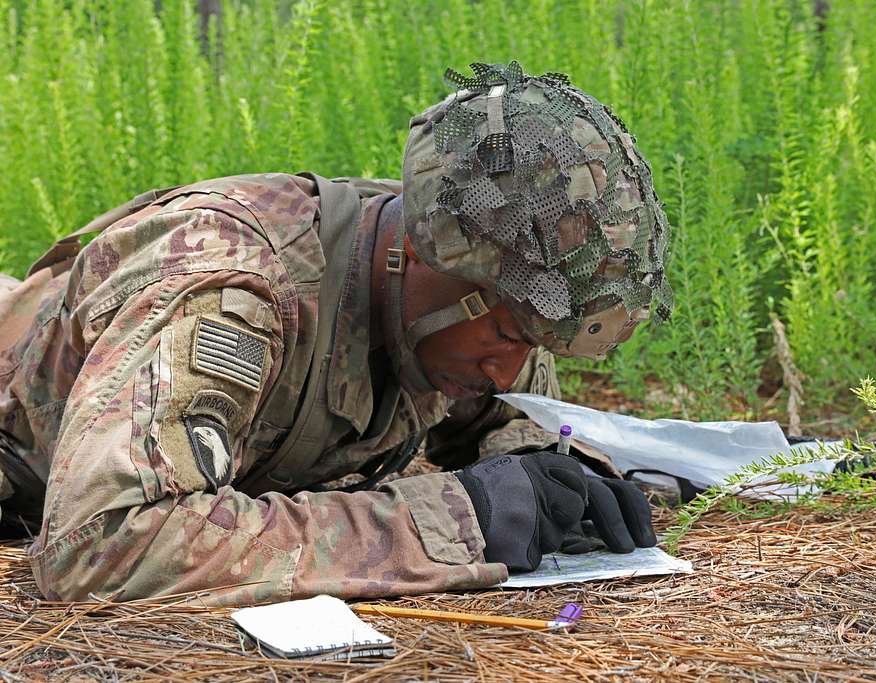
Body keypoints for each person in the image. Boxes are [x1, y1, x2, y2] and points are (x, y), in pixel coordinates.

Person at [0, 62, 673, 605]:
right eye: (503, 332)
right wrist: (449, 520)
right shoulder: (233, 294)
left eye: (532, 342)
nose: (506, 370)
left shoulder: (469, 284)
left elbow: (515, 410)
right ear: (419, 253)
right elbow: (100, 543)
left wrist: (558, 474)